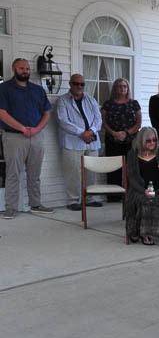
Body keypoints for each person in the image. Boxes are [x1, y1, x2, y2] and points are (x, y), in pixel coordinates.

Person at [0, 58, 54, 219]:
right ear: (14, 69)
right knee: (13, 173)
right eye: (21, 68)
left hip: (36, 136)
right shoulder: (4, 88)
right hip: (13, 137)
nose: (25, 71)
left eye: (27, 69)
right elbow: (2, 113)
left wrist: (37, 129)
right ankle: (10, 208)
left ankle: (35, 204)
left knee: (34, 174)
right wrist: (22, 128)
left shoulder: (38, 90)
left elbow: (47, 113)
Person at [55, 73, 103, 211]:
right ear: (70, 84)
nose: (79, 86)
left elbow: (98, 119)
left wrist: (91, 131)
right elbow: (63, 120)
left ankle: (90, 198)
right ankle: (73, 200)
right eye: (76, 84)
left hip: (92, 140)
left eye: (82, 84)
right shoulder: (62, 100)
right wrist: (81, 133)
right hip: (72, 142)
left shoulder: (91, 100)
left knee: (91, 171)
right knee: (73, 172)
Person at [125, 127, 159, 245]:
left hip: (158, 189)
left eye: (154, 140)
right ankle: (136, 230)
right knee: (140, 200)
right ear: (141, 140)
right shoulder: (132, 154)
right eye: (148, 140)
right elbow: (132, 178)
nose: (152, 143)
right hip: (138, 189)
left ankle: (147, 234)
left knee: (152, 201)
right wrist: (143, 190)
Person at [101, 77, 141, 196]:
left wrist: (126, 133)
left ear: (128, 88)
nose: (122, 88)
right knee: (113, 167)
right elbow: (103, 122)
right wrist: (114, 133)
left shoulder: (134, 104)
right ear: (115, 88)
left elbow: (138, 123)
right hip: (112, 139)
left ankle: (131, 195)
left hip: (130, 140)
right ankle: (114, 196)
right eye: (119, 86)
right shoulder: (108, 104)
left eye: (125, 86)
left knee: (131, 168)